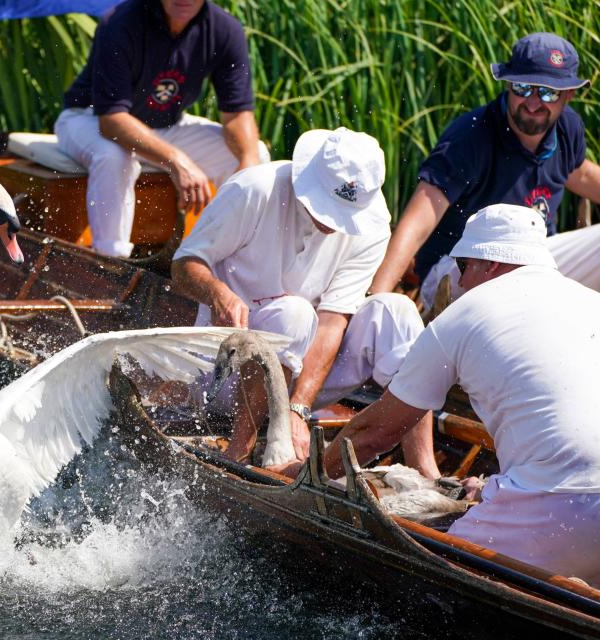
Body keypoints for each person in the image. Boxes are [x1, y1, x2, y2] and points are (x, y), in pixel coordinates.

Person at [325, 204, 600, 585]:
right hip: (575, 504)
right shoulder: (591, 301)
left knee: (419, 579)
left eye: (462, 267)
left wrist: (302, 476)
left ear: (489, 264)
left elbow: (374, 434)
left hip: (558, 507)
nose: (462, 283)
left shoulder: (464, 312)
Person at [170, 127, 440, 480]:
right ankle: (239, 454)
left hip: (303, 375)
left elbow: (332, 321)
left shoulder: (373, 226)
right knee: (293, 313)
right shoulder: (253, 189)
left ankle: (426, 472)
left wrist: (299, 407)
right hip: (221, 374)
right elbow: (184, 265)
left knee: (398, 311)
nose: (331, 224)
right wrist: (218, 293)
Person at [368, 32, 600, 309]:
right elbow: (420, 219)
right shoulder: (469, 137)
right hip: (460, 268)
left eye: (549, 92)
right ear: (507, 86)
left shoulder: (567, 129)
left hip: (537, 263)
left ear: (569, 95)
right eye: (523, 88)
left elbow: (580, 174)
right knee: (509, 264)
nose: (534, 103)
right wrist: (375, 299)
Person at [55, 0, 270, 258]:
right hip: (88, 119)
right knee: (115, 157)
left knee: (255, 154)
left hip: (167, 125)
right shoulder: (119, 23)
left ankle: (226, 257)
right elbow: (111, 121)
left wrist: (248, 165)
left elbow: (237, 114)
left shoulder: (225, 29)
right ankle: (110, 260)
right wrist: (178, 162)